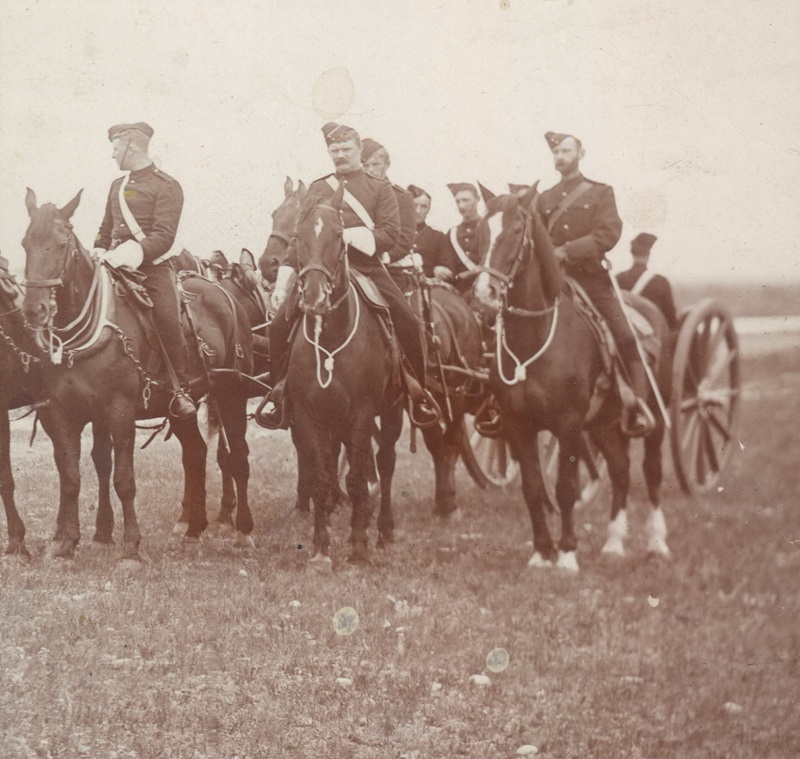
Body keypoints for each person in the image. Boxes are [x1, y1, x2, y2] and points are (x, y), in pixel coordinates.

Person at [262, 122, 437, 429]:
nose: (340, 155)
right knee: (278, 326)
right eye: (335, 150)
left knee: (407, 320)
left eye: (346, 149)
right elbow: (300, 237)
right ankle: (280, 395)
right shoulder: (318, 188)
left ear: (359, 151)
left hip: (366, 267)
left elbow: (390, 233)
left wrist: (350, 236)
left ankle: (417, 392)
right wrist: (281, 283)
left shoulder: (379, 187)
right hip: (320, 268)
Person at [536, 131, 654, 435]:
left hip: (590, 279)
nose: (560, 156)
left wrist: (567, 251)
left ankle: (637, 403)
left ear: (580, 154)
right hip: (553, 280)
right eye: (556, 152)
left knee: (624, 334)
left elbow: (607, 234)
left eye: (566, 151)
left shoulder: (601, 193)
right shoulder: (544, 199)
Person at [93, 122, 195, 419]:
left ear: (131, 146)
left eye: (115, 148)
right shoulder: (117, 186)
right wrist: (99, 247)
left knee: (166, 317)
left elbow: (164, 235)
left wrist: (134, 252)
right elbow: (105, 229)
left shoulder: (167, 185)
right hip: (113, 266)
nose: (113, 155)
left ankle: (180, 389)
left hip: (152, 269)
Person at [360, 138, 416, 271]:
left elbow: (405, 239)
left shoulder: (402, 197)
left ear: (387, 165)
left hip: (389, 268)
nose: (370, 170)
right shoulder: (353, 196)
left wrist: (383, 257)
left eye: (376, 164)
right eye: (365, 165)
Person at [616, 233, 677, 330]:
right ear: (648, 255)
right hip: (653, 335)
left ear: (632, 254)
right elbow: (670, 318)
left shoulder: (618, 278)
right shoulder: (660, 281)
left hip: (624, 331)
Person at [406, 185, 457, 280]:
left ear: (428, 209)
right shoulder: (395, 232)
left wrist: (435, 270)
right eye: (415, 205)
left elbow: (449, 271)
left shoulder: (438, 237)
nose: (418, 211)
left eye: (423, 206)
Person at [444, 183, 482, 293]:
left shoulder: (490, 228)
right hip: (459, 291)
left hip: (485, 289)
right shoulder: (452, 233)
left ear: (477, 199)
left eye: (466, 200)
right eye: (457, 201)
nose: (461, 206)